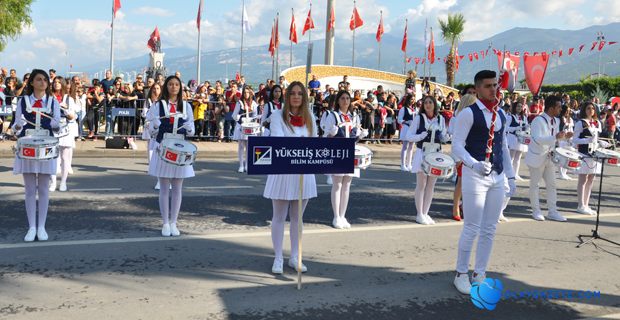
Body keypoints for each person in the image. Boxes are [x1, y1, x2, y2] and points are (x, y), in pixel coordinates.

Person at [451, 70, 516, 295]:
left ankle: (480, 272)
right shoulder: (468, 114)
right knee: (472, 227)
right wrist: (473, 164)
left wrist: (510, 175)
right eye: (488, 86)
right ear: (477, 88)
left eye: (495, 85)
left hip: (496, 175)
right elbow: (457, 145)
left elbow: (504, 146)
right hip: (475, 175)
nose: (493, 89)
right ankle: (461, 273)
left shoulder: (501, 115)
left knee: (490, 228)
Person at [263, 81, 317, 274]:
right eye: (292, 93)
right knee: (278, 217)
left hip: (303, 172)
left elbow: (315, 142)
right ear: (287, 97)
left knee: (297, 218)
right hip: (283, 171)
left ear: (304, 97)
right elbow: (277, 139)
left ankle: (295, 257)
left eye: (300, 94)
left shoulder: (310, 117)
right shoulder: (277, 116)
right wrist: (299, 143)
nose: (296, 97)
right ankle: (278, 257)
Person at [11, 69, 61, 242]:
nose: (43, 82)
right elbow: (16, 126)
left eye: (45, 80)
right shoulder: (23, 101)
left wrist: (57, 125)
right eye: (39, 79)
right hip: (28, 146)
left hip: (46, 146)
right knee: (30, 189)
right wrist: (18, 126)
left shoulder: (53, 102)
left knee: (44, 189)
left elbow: (57, 126)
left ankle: (42, 227)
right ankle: (31, 227)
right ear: (31, 82)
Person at [146, 75, 195, 237]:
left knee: (178, 188)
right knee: (164, 187)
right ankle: (165, 223)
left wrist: (189, 127)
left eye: (177, 84)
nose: (174, 87)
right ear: (166, 87)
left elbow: (192, 131)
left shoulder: (186, 106)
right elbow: (151, 130)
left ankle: (174, 221)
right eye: (171, 84)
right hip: (163, 147)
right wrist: (154, 125)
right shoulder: (158, 105)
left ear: (180, 87)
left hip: (181, 149)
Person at [322, 90, 367, 229]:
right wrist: (331, 133)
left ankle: (342, 215)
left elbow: (354, 135)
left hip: (350, 151)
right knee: (337, 184)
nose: (345, 101)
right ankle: (336, 216)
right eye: (342, 98)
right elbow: (325, 137)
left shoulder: (353, 116)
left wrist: (361, 135)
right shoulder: (333, 115)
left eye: (348, 98)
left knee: (347, 184)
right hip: (337, 151)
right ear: (337, 101)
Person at [524, 95, 573, 222]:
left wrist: (564, 137)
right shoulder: (538, 120)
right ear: (551, 108)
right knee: (535, 185)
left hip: (550, 157)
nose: (560, 109)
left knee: (552, 185)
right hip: (537, 157)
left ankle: (553, 211)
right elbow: (536, 139)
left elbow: (554, 139)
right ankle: (536, 211)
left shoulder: (556, 121)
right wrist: (555, 137)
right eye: (558, 106)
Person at [405, 95, 449, 225]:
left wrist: (445, 137)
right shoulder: (419, 118)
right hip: (422, 152)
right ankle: (419, 214)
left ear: (435, 104)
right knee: (421, 184)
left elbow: (445, 137)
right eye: (425, 103)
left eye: (430, 102)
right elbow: (409, 136)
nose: (428, 105)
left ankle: (425, 212)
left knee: (431, 185)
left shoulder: (440, 119)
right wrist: (420, 136)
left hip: (436, 154)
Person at [573, 101, 606, 215]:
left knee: (591, 179)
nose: (591, 110)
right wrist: (587, 140)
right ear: (584, 110)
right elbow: (574, 140)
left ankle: (586, 204)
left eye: (592, 108)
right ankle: (580, 205)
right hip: (584, 154)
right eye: (588, 108)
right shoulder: (580, 123)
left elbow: (596, 138)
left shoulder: (597, 123)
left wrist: (601, 142)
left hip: (595, 154)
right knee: (583, 179)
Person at [448, 94, 477, 221]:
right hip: (462, 154)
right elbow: (455, 140)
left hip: (472, 154)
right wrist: (457, 158)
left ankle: (464, 207)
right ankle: (455, 208)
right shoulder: (457, 118)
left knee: (471, 183)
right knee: (460, 183)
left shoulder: (475, 116)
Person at [232, 86, 259, 173]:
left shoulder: (254, 103)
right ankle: (241, 165)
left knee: (248, 147)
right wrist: (238, 117)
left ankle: (247, 165)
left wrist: (254, 119)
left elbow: (255, 115)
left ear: (250, 93)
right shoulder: (239, 103)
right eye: (245, 92)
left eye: (248, 92)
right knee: (241, 146)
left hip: (250, 127)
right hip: (241, 126)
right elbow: (234, 115)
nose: (246, 94)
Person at [142, 83, 162, 189]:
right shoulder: (148, 100)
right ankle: (151, 166)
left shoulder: (162, 101)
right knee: (150, 146)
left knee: (157, 147)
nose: (156, 90)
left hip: (159, 126)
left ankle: (156, 168)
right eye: (154, 88)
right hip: (150, 125)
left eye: (158, 88)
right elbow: (145, 113)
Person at [506, 102, 529, 181]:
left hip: (521, 139)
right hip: (512, 138)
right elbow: (506, 128)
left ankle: (516, 174)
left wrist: (526, 128)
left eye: (521, 106)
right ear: (514, 107)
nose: (519, 108)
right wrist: (516, 128)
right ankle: (509, 175)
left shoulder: (524, 117)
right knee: (511, 157)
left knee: (518, 158)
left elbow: (526, 127)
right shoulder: (510, 117)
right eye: (518, 106)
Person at [397, 93, 417, 171]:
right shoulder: (403, 109)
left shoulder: (414, 109)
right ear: (408, 99)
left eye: (414, 99)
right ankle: (403, 164)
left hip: (413, 130)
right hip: (406, 129)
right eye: (411, 99)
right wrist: (406, 122)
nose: (413, 100)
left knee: (411, 147)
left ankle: (409, 164)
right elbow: (399, 120)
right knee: (405, 146)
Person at [558, 103, 575, 180]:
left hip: (569, 139)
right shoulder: (560, 118)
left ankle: (565, 173)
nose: (568, 112)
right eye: (566, 111)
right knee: (562, 156)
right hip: (562, 139)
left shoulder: (570, 119)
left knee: (568, 156)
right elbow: (560, 129)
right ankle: (561, 173)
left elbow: (571, 129)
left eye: (569, 111)